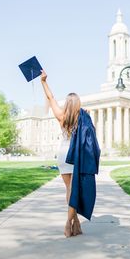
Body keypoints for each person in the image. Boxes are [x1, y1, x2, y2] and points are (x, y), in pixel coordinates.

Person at [40, 70, 83, 238]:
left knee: (69, 189)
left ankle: (76, 222)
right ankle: (68, 223)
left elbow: (51, 98)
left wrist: (44, 82)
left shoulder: (61, 116)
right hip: (76, 156)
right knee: (74, 190)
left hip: (63, 154)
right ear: (78, 104)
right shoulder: (82, 118)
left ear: (67, 103)